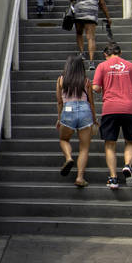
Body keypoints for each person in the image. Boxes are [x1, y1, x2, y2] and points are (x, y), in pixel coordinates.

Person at [92, 40, 132, 190]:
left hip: (110, 109)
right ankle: (127, 166)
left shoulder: (102, 66)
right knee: (130, 141)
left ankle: (113, 178)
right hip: (130, 109)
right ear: (120, 53)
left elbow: (97, 88)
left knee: (110, 144)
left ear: (106, 54)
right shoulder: (131, 66)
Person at [56, 55, 96, 188]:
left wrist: (59, 118)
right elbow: (91, 102)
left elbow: (59, 101)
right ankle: (80, 177)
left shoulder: (61, 80)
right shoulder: (86, 81)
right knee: (84, 148)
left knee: (64, 139)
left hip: (67, 110)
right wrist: (94, 120)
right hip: (85, 110)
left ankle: (68, 158)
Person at [68, 0, 111, 64]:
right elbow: (102, 3)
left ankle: (82, 53)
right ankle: (91, 61)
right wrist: (108, 17)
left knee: (79, 33)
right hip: (91, 13)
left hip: (79, 13)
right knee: (91, 37)